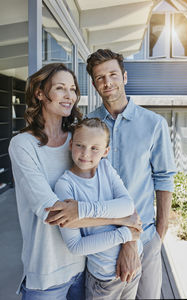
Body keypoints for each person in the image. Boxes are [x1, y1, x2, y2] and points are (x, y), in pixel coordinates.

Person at [45, 49, 177, 299]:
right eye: (100, 78)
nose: (107, 82)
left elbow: (164, 178)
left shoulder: (153, 124)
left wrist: (159, 232)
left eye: (113, 74)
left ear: (124, 77)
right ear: (94, 84)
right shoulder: (86, 125)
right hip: (98, 239)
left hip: (145, 235)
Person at [9, 63, 141, 300]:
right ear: (40, 93)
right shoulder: (23, 145)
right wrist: (123, 221)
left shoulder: (79, 141)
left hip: (85, 269)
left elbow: (116, 196)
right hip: (47, 275)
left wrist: (127, 231)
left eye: (72, 89)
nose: (69, 95)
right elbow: (54, 214)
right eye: (60, 88)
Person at [54, 118, 143, 300]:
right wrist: (126, 233)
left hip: (134, 265)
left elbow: (127, 206)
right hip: (103, 277)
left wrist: (81, 210)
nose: (86, 153)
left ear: (105, 151)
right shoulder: (65, 186)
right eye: (80, 145)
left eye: (95, 148)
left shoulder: (105, 168)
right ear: (71, 144)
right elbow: (76, 246)